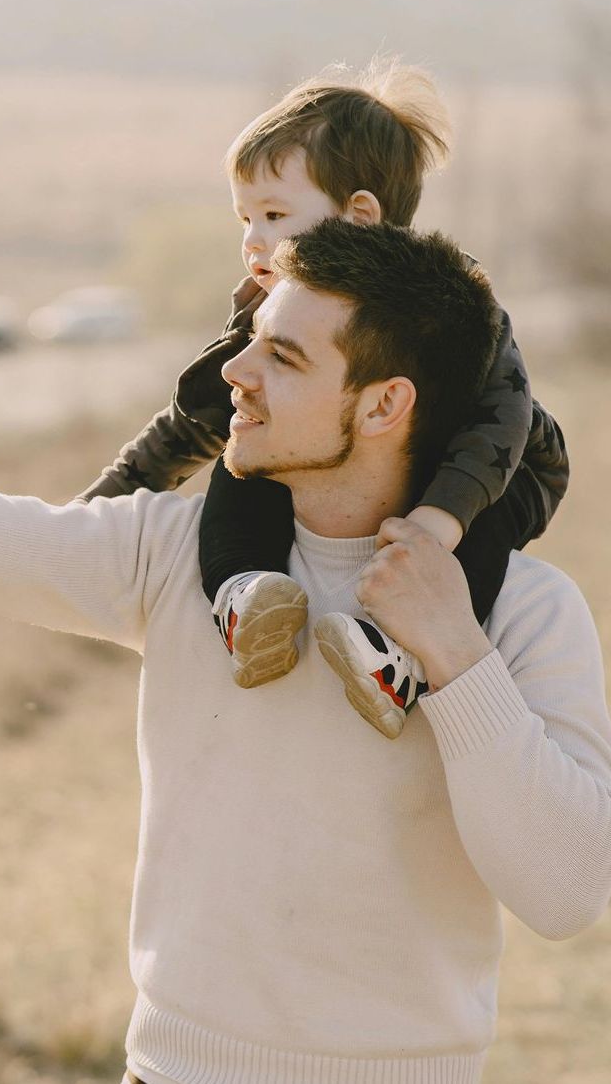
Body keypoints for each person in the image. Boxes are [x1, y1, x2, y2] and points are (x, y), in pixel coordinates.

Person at [0, 217, 611, 1084]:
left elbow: (568, 892)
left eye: (281, 358)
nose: (235, 374)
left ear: (385, 403)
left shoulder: (523, 611)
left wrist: (457, 659)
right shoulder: (170, 552)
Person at [76, 61, 569, 737]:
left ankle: (399, 659)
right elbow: (205, 413)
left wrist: (436, 522)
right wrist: (106, 499)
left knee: (476, 535)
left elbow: (501, 420)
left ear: (358, 216)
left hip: (491, 469)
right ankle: (247, 597)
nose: (252, 239)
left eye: (274, 214)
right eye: (244, 217)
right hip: (358, 460)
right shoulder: (270, 306)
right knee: (247, 454)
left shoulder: (447, 300)